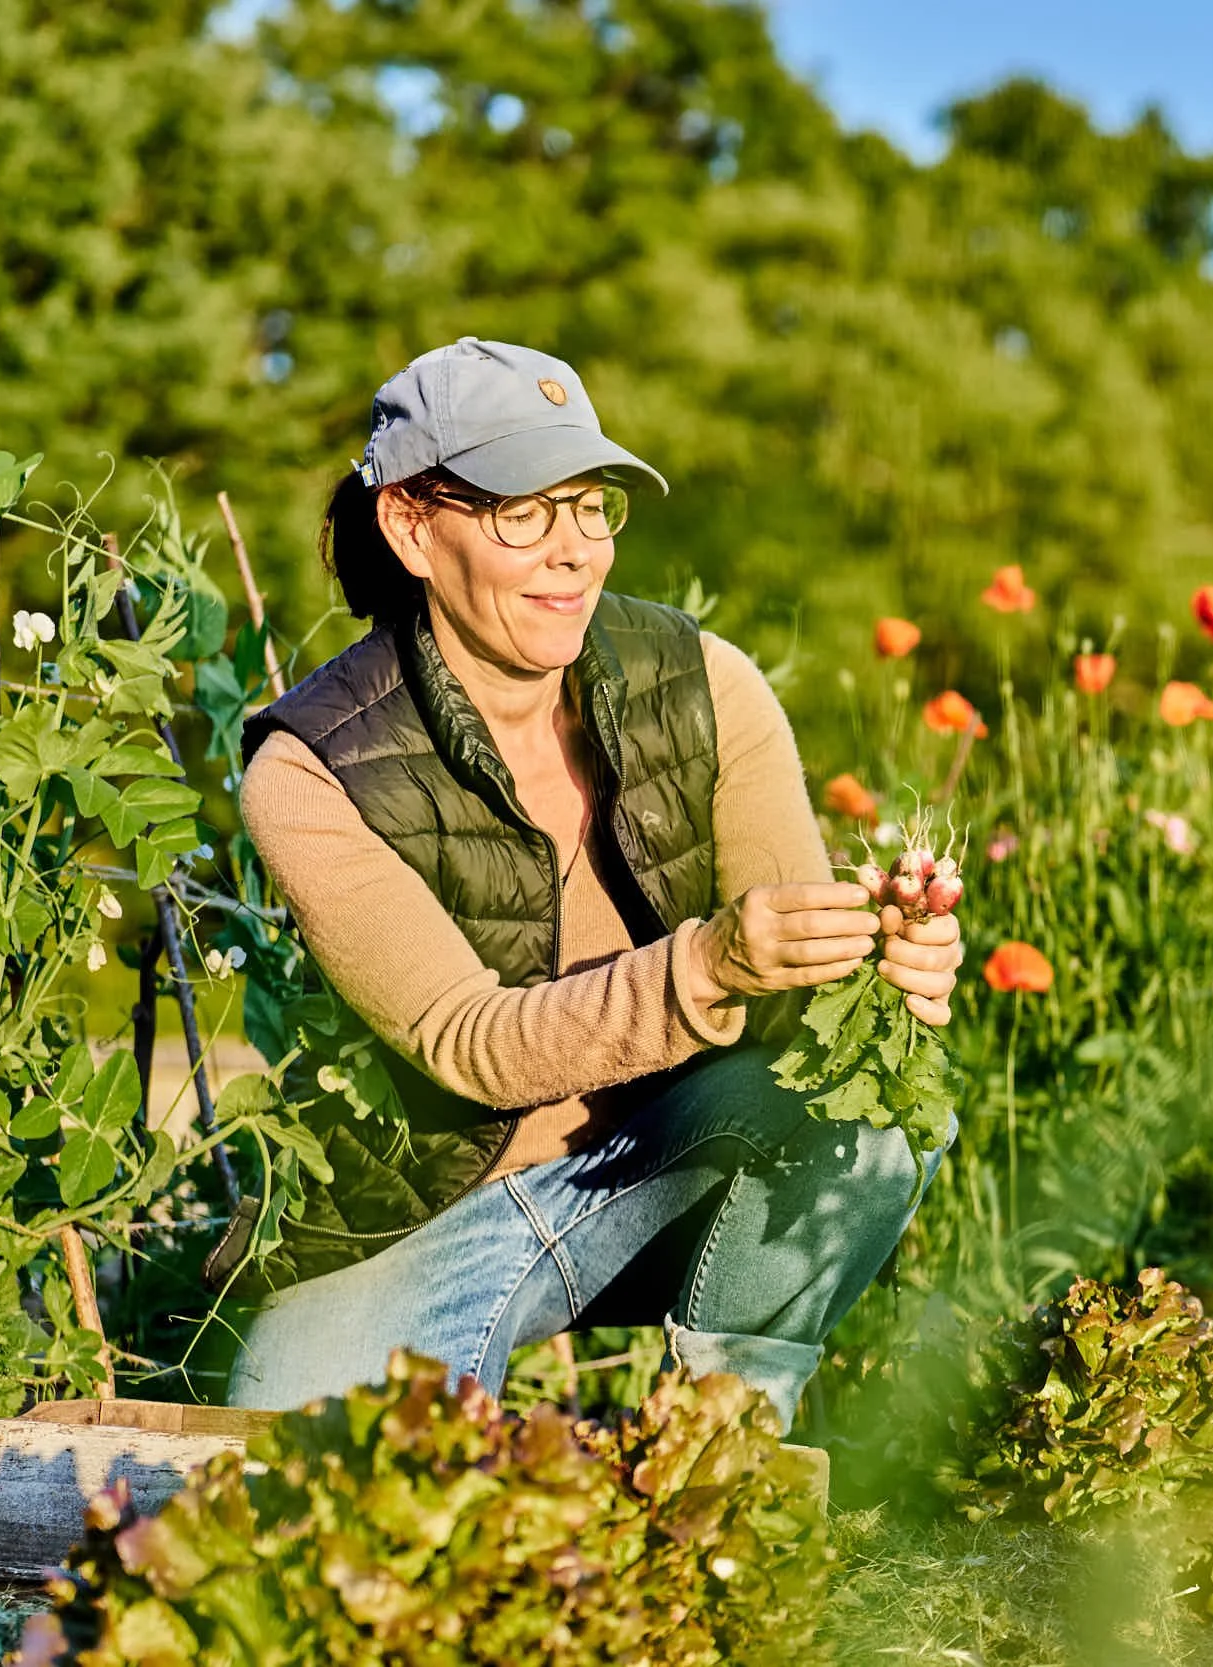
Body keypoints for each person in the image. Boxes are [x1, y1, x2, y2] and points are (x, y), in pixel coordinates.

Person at [217, 336, 961, 1429]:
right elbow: (467, 1040)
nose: (572, 550)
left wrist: (883, 963)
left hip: (668, 1160)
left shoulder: (704, 683)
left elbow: (802, 1014)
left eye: (591, 505)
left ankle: (723, 1449)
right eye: (523, 511)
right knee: (296, 1452)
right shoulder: (311, 767)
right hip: (431, 1212)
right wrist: (711, 962)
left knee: (874, 1116)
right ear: (413, 527)